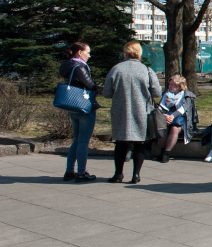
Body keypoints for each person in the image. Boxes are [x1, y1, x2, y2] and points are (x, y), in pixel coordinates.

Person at [103, 40, 161, 184]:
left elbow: (106, 93)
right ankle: (136, 175)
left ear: (125, 52)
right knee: (139, 143)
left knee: (120, 144)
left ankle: (118, 174)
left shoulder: (116, 69)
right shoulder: (147, 70)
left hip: (120, 111)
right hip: (142, 111)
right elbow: (157, 92)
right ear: (139, 53)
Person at [60, 42, 99, 182]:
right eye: (87, 52)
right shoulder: (80, 67)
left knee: (76, 140)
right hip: (84, 106)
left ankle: (69, 171)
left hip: (73, 106)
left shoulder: (68, 65)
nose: (89, 55)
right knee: (83, 141)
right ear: (79, 53)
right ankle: (81, 173)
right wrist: (97, 87)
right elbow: (91, 85)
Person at [156, 74, 197, 163]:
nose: (170, 86)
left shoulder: (186, 95)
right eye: (169, 84)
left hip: (181, 118)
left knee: (175, 129)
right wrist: (165, 116)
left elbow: (183, 109)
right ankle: (162, 151)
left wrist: (172, 116)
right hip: (166, 116)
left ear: (179, 86)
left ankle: (166, 153)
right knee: (162, 128)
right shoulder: (167, 93)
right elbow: (161, 107)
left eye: (172, 85)